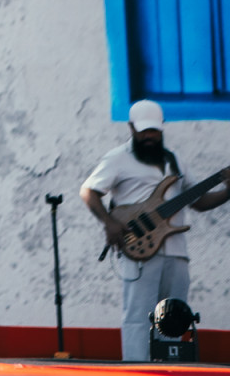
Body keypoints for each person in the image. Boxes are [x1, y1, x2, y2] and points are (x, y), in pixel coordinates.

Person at [80, 99, 229, 361]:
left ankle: (171, 368)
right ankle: (136, 372)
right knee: (138, 315)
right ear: (131, 128)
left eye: (154, 131)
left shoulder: (175, 161)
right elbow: (88, 191)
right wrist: (109, 222)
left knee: (174, 314)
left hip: (176, 250)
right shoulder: (117, 159)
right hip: (139, 248)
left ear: (162, 128)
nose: (149, 136)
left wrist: (228, 191)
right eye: (143, 131)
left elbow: (198, 201)